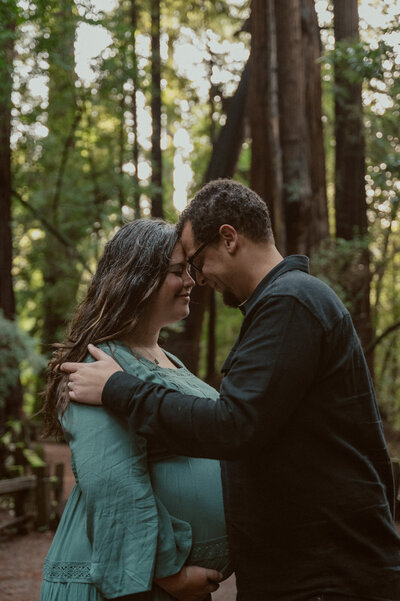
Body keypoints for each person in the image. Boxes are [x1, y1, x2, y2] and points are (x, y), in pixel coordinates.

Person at [63, 179, 400, 601]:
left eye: (198, 262)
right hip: (311, 570)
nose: (198, 279)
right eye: (183, 269)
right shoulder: (285, 305)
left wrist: (119, 389)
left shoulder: (290, 303)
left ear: (228, 238)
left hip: (325, 575)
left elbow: (233, 425)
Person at [40, 219, 232, 601]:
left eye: (190, 270)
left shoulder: (169, 360)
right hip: (124, 585)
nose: (191, 281)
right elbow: (114, 481)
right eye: (178, 271)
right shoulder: (100, 362)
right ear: (138, 280)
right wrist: (170, 573)